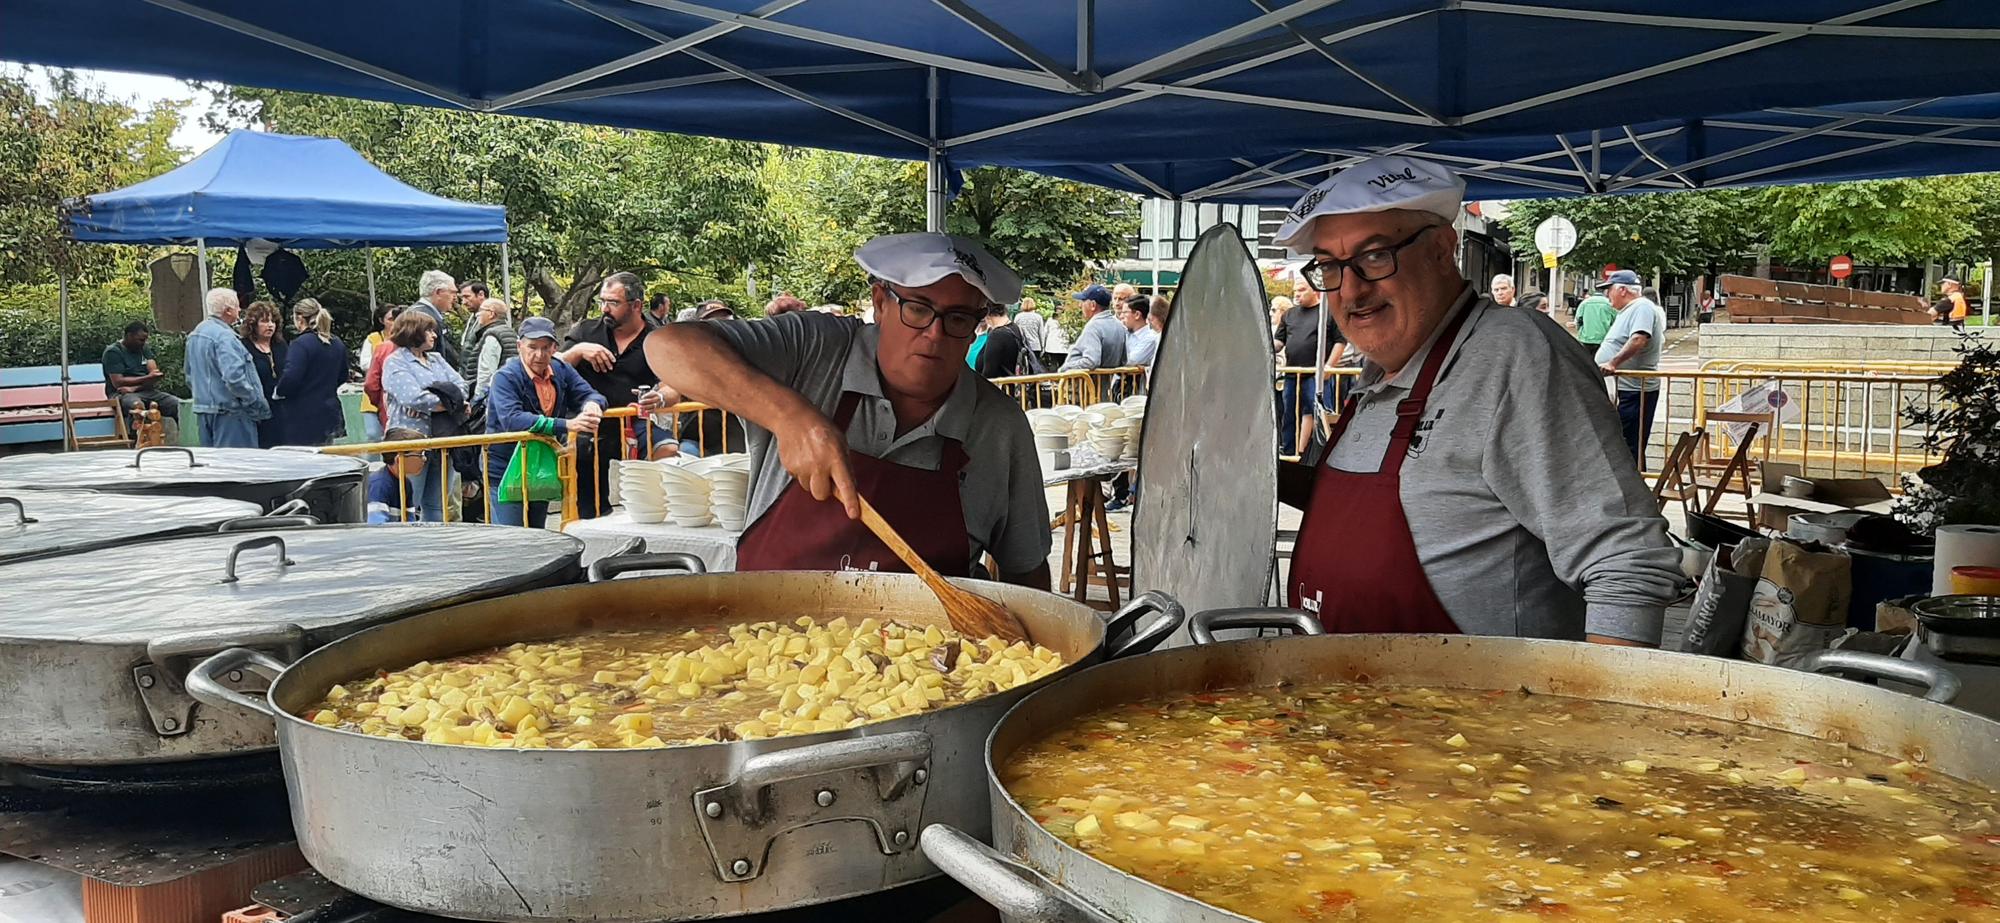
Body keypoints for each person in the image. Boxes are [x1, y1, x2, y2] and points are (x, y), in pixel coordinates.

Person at [1270, 154, 1681, 645]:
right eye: (1331, 266)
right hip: (1339, 706)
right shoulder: (1379, 368)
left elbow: (1627, 560)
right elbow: (1421, 501)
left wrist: (1597, 714)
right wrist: (1245, 476)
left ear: (1443, 248)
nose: (1352, 289)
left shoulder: (1516, 355)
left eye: (1375, 255)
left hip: (1479, 712)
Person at [644, 232, 1052, 585]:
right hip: (764, 648)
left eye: (958, 318)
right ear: (880, 301)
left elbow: (1027, 571)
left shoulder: (1000, 427)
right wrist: (790, 417)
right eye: (918, 308)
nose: (934, 335)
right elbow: (668, 346)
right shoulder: (814, 348)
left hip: (929, 667)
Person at [559, 271, 666, 518]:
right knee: (589, 506)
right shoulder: (586, 331)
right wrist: (578, 351)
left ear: (636, 305)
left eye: (613, 303)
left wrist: (659, 397)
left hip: (634, 422)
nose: (605, 309)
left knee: (667, 448)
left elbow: (674, 383)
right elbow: (552, 367)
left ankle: (655, 515)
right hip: (590, 426)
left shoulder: (656, 337)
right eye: (603, 302)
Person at [485, 317, 606, 528]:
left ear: (555, 348)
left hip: (542, 465)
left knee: (538, 536)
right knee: (512, 537)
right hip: (505, 466)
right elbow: (512, 420)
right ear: (519, 346)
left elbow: (591, 394)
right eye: (532, 347)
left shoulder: (561, 368)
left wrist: (592, 405)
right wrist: (566, 425)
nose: (539, 355)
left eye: (546, 348)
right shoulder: (505, 376)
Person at [381, 311, 468, 522]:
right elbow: (412, 397)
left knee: (437, 504)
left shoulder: (437, 359)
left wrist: (440, 401)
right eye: (428, 330)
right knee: (409, 502)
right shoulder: (395, 362)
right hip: (411, 443)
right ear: (413, 333)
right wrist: (451, 403)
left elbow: (462, 388)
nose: (434, 335)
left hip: (442, 441)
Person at [1595, 270, 1666, 464]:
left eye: (1608, 290)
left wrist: (1613, 362)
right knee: (1624, 441)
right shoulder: (1631, 310)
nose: (1607, 295)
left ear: (1622, 290)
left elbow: (1638, 339)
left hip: (1635, 390)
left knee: (1629, 444)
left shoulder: (1641, 307)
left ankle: (1632, 489)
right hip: (1628, 389)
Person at [185, 288, 268, 448]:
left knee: (213, 466)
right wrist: (252, 400)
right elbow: (234, 377)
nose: (240, 310)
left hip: (204, 410)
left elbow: (189, 374)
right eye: (237, 306)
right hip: (230, 412)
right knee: (237, 466)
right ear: (228, 310)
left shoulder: (196, 334)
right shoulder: (225, 337)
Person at [273, 299, 347, 446]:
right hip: (331, 412)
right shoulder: (337, 342)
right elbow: (343, 375)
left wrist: (279, 391)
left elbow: (291, 377)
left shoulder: (300, 344)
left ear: (299, 318)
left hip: (303, 415)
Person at [101, 321, 182, 444]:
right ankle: (138, 441)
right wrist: (147, 378)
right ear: (128, 336)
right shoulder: (113, 352)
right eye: (140, 340)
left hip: (145, 390)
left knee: (177, 404)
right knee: (137, 406)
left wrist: (135, 387)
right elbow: (118, 382)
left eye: (145, 340)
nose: (143, 343)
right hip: (120, 394)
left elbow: (154, 374)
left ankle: (184, 439)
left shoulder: (144, 348)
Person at [1272, 278, 1327, 457]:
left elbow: (1340, 342)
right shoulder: (1290, 314)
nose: (1297, 294)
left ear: (1314, 290)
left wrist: (1329, 366)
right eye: (1295, 290)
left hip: (1314, 373)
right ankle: (1288, 451)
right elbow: (1279, 342)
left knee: (1312, 411)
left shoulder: (1325, 312)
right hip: (1291, 374)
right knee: (1289, 413)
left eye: (1301, 290)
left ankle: (1305, 451)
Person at [238, 300, 286, 449]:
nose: (270, 325)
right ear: (253, 324)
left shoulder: (280, 345)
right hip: (258, 409)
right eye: (265, 321)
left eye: (273, 321)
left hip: (282, 409)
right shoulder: (244, 346)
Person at [461, 297, 519, 403]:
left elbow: (486, 371)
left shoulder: (493, 335)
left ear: (491, 314)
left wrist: (477, 398)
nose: (478, 315)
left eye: (481, 311)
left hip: (492, 396)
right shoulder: (511, 333)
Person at [366, 427, 429, 524]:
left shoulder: (406, 483)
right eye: (420, 454)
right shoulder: (379, 485)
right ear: (399, 460)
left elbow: (410, 521)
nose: (424, 459)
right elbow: (376, 527)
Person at [357, 303, 399, 444]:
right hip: (374, 393)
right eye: (390, 319)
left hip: (393, 395)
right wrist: (381, 362)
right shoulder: (373, 338)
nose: (394, 323)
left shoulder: (403, 340)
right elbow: (364, 363)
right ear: (381, 321)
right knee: (373, 435)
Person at [1059, 284, 1127, 372]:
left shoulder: (1094, 327)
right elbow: (1124, 361)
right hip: (1106, 384)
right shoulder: (1119, 326)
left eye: (1083, 301)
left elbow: (1091, 361)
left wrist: (1064, 369)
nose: (1080, 305)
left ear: (1093, 305)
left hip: (1087, 384)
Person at [409, 270, 462, 368]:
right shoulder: (424, 318)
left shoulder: (414, 313)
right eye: (452, 293)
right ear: (438, 292)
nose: (455, 298)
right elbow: (427, 359)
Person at [973, 304, 1025, 379]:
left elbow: (989, 372)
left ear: (987, 315)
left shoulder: (996, 335)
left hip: (998, 387)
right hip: (1012, 384)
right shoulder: (1014, 328)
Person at [1574, 281, 1616, 349]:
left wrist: (1580, 331)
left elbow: (1578, 320)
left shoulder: (1584, 303)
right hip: (1604, 339)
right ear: (1606, 291)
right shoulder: (1610, 304)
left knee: (1585, 359)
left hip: (1586, 338)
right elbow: (1616, 322)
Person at [1121, 295, 1158, 367]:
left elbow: (1131, 361)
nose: (1121, 316)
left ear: (1137, 315)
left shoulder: (1150, 339)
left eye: (1125, 312)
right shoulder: (1124, 333)